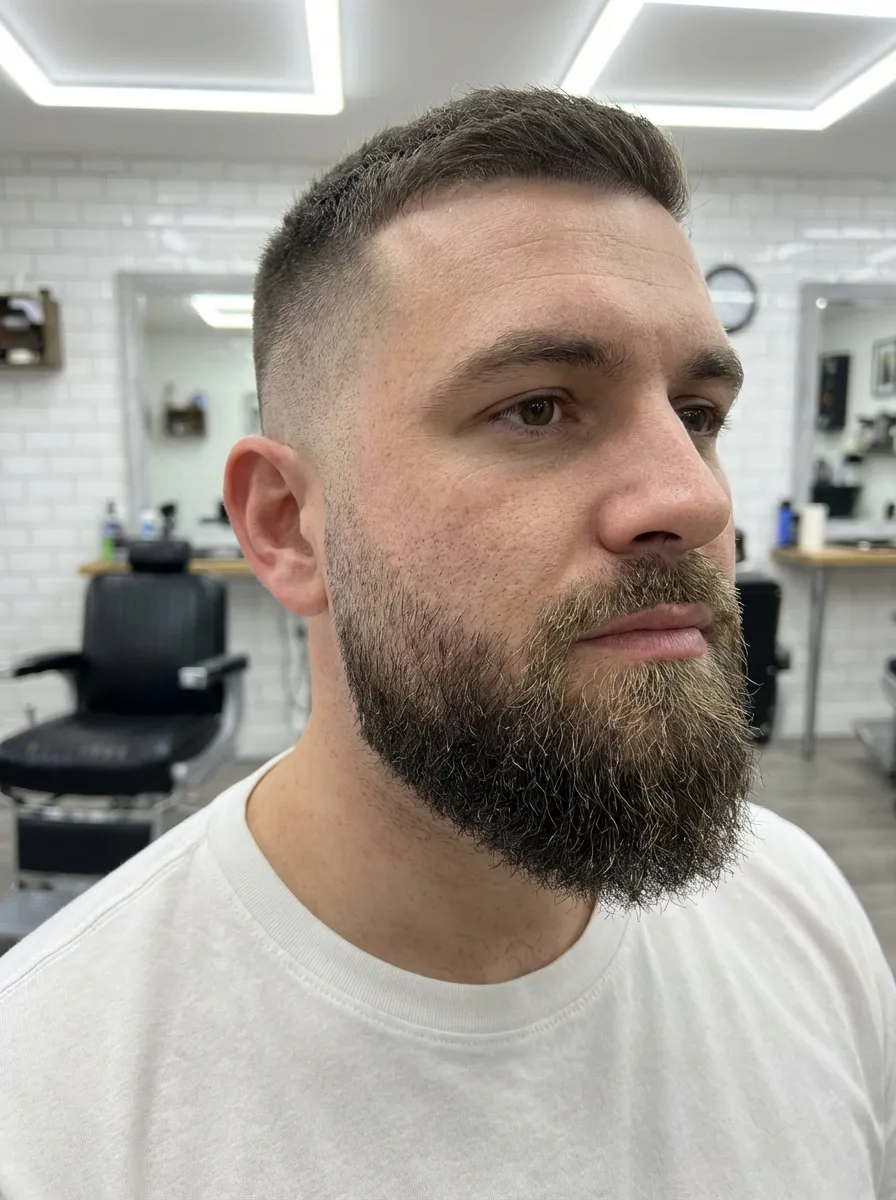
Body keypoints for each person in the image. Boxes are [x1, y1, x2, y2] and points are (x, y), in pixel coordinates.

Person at [0, 88, 893, 1199]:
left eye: (697, 412)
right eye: (535, 407)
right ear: (285, 524)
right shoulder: (43, 1109)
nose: (692, 497)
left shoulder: (796, 908)